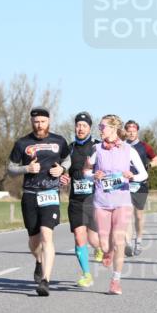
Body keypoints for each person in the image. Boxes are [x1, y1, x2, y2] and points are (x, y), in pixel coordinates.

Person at [7, 107, 70, 296]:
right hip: (30, 194)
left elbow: (67, 160)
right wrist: (27, 168)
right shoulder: (22, 143)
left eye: (42, 121)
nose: (39, 125)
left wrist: (62, 170)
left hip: (50, 193)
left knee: (46, 235)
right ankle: (39, 260)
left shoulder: (59, 141)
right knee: (34, 241)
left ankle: (45, 280)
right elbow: (10, 168)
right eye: (36, 122)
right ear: (31, 122)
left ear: (48, 121)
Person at [86, 115, 148, 295]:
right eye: (99, 126)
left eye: (102, 126)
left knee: (119, 241)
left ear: (113, 128)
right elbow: (85, 171)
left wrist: (132, 176)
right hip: (102, 202)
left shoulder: (129, 150)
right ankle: (107, 252)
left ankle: (115, 281)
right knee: (105, 244)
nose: (100, 129)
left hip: (122, 202)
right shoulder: (97, 149)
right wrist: (93, 175)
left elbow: (143, 174)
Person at [62, 111, 102, 288]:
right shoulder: (69, 148)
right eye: (78, 125)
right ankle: (86, 274)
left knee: (93, 239)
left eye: (84, 126)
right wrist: (63, 177)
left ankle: (99, 248)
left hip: (95, 199)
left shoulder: (97, 147)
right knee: (79, 237)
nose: (80, 128)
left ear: (89, 128)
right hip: (76, 200)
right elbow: (63, 169)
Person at [123, 120, 157, 257]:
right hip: (125, 184)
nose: (131, 133)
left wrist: (148, 165)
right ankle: (128, 243)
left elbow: (156, 160)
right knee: (127, 214)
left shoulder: (144, 146)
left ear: (137, 131)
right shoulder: (122, 146)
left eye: (134, 131)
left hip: (140, 184)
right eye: (129, 131)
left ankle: (138, 240)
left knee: (138, 215)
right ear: (125, 132)